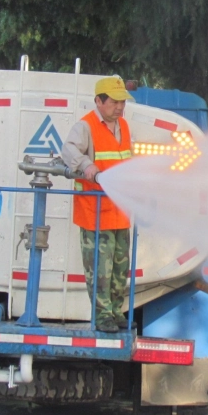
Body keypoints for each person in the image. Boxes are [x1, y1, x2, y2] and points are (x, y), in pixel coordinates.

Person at [61, 76, 134, 333]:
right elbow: (68, 151)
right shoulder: (86, 127)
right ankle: (103, 316)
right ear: (99, 101)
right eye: (114, 101)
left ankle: (116, 311)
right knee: (100, 271)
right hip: (95, 213)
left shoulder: (124, 126)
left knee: (119, 268)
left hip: (120, 211)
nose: (120, 107)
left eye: (122, 101)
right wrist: (87, 166)